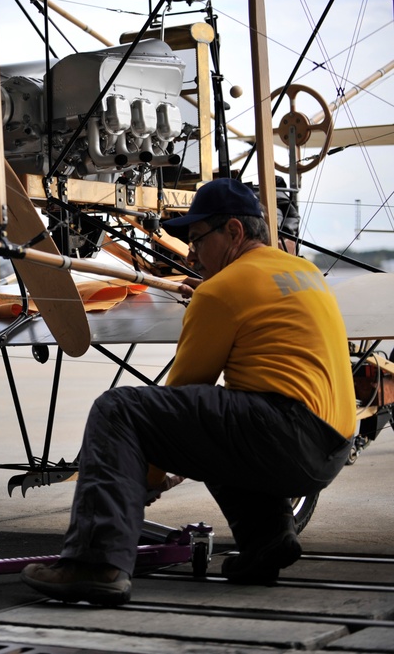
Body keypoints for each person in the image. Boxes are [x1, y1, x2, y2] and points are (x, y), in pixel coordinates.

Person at [21, 177, 356, 605]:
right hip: (331, 448)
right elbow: (202, 420)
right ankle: (267, 539)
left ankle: (95, 562)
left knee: (120, 409)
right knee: (220, 422)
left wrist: (143, 481)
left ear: (234, 232)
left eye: (198, 239)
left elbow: (182, 395)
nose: (192, 253)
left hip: (285, 436)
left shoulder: (221, 290)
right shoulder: (303, 271)